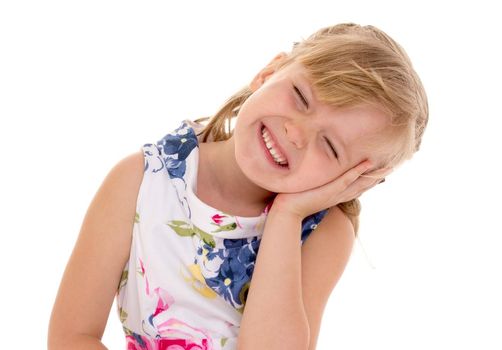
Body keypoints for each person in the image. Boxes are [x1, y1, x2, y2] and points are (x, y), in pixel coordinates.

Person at [47, 22, 428, 350]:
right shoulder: (142, 180)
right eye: (300, 97)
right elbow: (70, 337)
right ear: (269, 72)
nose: (295, 133)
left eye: (329, 146)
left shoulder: (323, 234)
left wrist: (286, 216)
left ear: (354, 181)